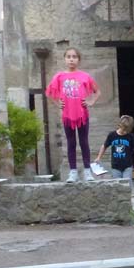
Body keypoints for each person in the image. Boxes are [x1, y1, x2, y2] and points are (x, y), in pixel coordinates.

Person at [46, 47, 100, 183]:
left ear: (78, 60)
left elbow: (97, 91)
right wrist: (58, 104)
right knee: (71, 143)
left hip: (82, 115)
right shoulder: (59, 77)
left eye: (74, 56)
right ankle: (73, 172)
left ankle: (88, 172)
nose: (71, 59)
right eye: (69, 56)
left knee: (84, 142)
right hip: (67, 116)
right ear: (65, 59)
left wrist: (91, 101)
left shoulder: (85, 76)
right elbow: (49, 93)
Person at [95, 115, 134, 180]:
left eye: (127, 131)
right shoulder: (112, 135)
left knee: (127, 185)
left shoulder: (131, 136)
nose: (125, 132)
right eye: (124, 130)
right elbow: (104, 146)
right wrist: (98, 157)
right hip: (115, 167)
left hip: (127, 166)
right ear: (120, 126)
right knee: (117, 186)